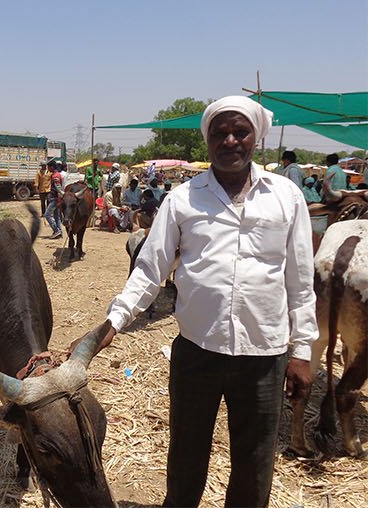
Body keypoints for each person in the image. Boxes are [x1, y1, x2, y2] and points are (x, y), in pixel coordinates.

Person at [97, 96, 315, 507]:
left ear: (257, 137)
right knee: (186, 451)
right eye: (219, 133)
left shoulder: (286, 197)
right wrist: (114, 321)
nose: (230, 140)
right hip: (197, 351)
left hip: (263, 355)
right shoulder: (182, 199)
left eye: (240, 131)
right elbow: (149, 269)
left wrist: (301, 351)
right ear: (208, 140)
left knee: (254, 460)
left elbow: (301, 282)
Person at [43, 161, 65, 238]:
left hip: (55, 199)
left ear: (52, 167)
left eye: (48, 167)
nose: (48, 169)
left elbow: (58, 189)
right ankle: (60, 232)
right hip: (56, 198)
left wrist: (59, 200)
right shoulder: (56, 175)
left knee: (47, 215)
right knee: (57, 217)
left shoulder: (55, 176)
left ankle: (56, 230)